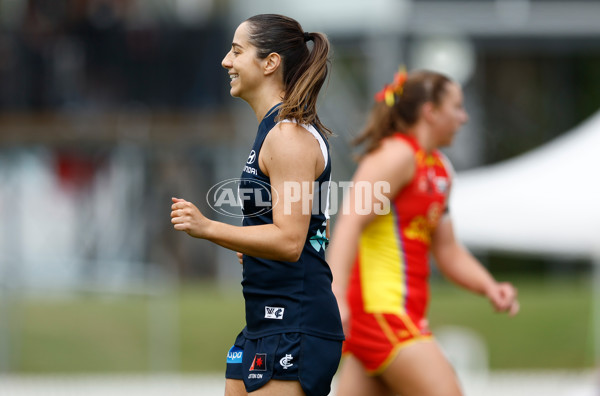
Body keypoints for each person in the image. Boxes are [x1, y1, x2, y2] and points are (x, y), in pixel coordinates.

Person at [170, 14, 344, 396]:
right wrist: (252, 246)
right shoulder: (273, 129)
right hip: (265, 319)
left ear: (270, 63)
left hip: (295, 321)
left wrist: (208, 228)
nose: (225, 62)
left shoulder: (287, 135)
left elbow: (290, 241)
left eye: (236, 51)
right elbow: (315, 227)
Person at [327, 68, 520, 396]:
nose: (465, 117)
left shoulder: (439, 168)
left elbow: (447, 250)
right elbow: (348, 224)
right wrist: (336, 298)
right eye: (457, 107)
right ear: (430, 112)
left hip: (395, 316)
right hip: (382, 315)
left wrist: (489, 286)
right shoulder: (395, 156)